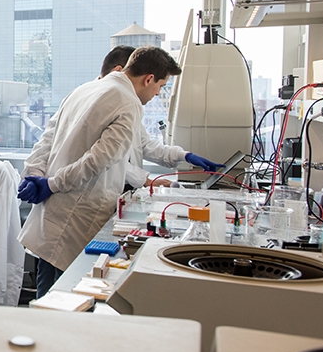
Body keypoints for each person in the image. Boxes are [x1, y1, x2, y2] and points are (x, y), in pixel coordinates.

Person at [17, 46, 181, 299]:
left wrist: (35, 174)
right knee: (67, 296)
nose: (158, 92)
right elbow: (99, 160)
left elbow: (47, 139)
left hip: (54, 207)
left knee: (46, 289)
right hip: (78, 209)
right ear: (148, 78)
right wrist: (50, 183)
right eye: (160, 85)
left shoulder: (84, 89)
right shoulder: (129, 102)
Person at [100, 45, 221, 189]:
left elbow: (144, 145)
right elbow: (107, 160)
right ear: (119, 71)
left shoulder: (127, 103)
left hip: (120, 190)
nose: (157, 93)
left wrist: (184, 156)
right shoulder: (105, 102)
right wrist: (146, 181)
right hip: (102, 192)